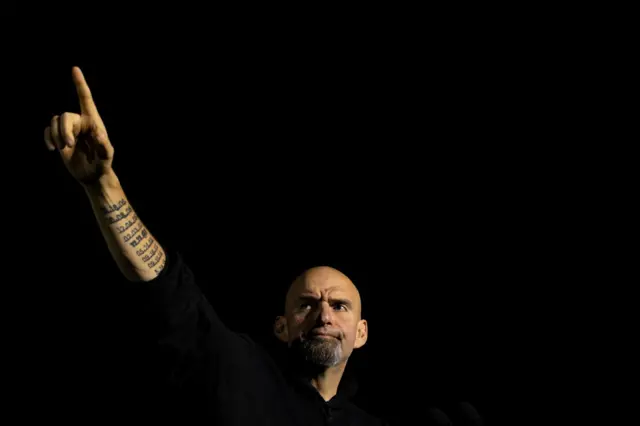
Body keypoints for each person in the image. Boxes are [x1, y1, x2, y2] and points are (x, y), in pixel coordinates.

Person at [44, 66, 389, 425]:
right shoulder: (239, 374)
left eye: (339, 305)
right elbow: (170, 294)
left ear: (361, 333)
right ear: (281, 327)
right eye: (306, 304)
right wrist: (102, 184)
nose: (324, 315)